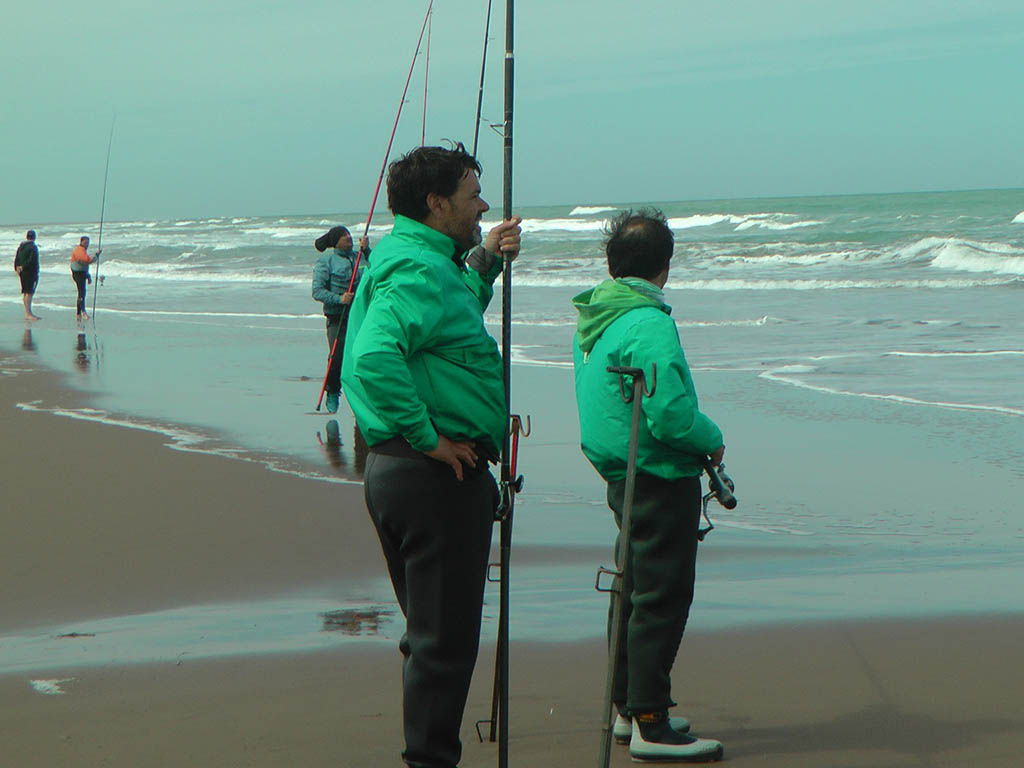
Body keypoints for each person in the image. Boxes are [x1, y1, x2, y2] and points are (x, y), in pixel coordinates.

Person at [340, 142, 521, 768]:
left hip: (398, 471)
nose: (484, 205)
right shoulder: (418, 270)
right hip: (432, 477)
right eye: (474, 195)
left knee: (428, 638)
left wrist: (484, 264)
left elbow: (446, 325)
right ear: (437, 204)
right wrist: (430, 439)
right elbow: (374, 357)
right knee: (444, 645)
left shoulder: (416, 262)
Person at [571, 208, 725, 763]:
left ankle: (628, 708)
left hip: (622, 471)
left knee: (632, 589)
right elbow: (672, 415)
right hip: (658, 474)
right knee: (661, 596)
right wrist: (713, 439)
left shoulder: (599, 317)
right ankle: (651, 723)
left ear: (613, 264)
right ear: (665, 266)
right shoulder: (648, 322)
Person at [311, 225, 370, 413]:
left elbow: (376, 269)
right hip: (338, 317)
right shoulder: (326, 262)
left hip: (361, 315)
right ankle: (333, 391)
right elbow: (317, 291)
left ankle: (365, 396)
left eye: (349, 235)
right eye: (344, 236)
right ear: (335, 242)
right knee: (336, 357)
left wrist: (367, 250)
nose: (349, 238)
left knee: (363, 356)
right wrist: (339, 299)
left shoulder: (360, 257)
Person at [70, 236, 100, 321]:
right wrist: (96, 255)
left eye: (88, 243)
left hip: (82, 273)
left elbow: (84, 265)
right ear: (81, 242)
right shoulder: (79, 250)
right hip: (78, 274)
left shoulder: (82, 250)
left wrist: (87, 275)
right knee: (81, 293)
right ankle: (83, 312)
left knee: (81, 293)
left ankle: (78, 313)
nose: (87, 244)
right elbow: (87, 260)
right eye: (85, 242)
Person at [14, 230, 41, 321]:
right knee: (29, 292)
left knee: (26, 292)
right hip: (30, 272)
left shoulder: (21, 246)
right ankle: (28, 313)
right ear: (34, 237)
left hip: (22, 272)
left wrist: (17, 267)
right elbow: (31, 260)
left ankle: (27, 312)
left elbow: (17, 258)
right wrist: (23, 267)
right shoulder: (33, 247)